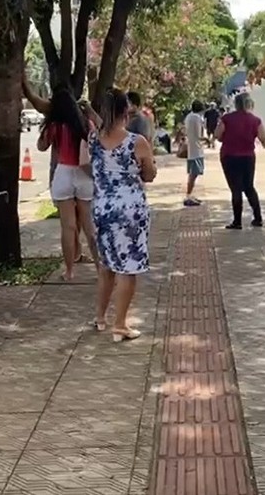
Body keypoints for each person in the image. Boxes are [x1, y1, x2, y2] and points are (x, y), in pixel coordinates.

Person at [91, 88, 157, 341]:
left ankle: (100, 317)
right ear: (125, 111)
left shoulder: (93, 139)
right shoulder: (136, 141)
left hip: (103, 207)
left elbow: (89, 166)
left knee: (107, 264)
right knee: (128, 268)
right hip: (130, 209)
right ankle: (120, 324)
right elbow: (148, 175)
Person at [38, 87, 99, 281]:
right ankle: (101, 270)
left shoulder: (55, 126)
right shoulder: (85, 123)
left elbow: (41, 146)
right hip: (84, 174)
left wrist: (46, 124)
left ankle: (69, 271)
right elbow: (100, 135)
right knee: (90, 227)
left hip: (63, 173)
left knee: (68, 226)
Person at [214, 93, 265, 230]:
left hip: (229, 157)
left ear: (236, 104)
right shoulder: (255, 120)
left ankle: (237, 221)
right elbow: (264, 140)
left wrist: (226, 139)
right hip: (248, 157)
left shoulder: (227, 119)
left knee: (236, 189)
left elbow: (217, 135)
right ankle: (258, 217)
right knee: (249, 187)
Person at [183, 100, 207, 207]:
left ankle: (190, 195)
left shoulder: (188, 117)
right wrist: (207, 139)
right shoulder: (197, 118)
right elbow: (199, 135)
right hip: (196, 149)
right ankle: (188, 195)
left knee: (192, 173)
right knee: (194, 174)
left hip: (191, 148)